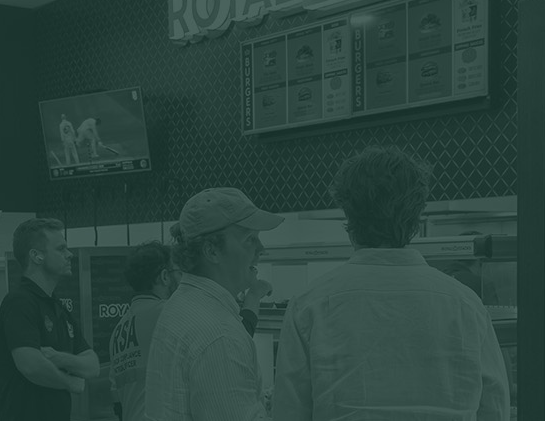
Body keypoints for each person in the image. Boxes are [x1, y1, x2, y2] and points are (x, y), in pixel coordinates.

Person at [274, 147, 510, 421]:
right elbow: (494, 409)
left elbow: (290, 412)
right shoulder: (467, 305)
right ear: (416, 216)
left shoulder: (309, 305)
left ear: (349, 215)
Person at [141, 188, 283, 421]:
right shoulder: (220, 335)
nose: (261, 249)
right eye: (250, 239)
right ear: (211, 251)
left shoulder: (180, 305)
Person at [0, 218, 99, 421]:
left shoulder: (57, 307)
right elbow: (31, 366)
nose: (69, 255)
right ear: (37, 256)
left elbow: (92, 365)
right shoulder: (19, 302)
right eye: (61, 249)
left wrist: (58, 358)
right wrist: (71, 382)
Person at [105, 242, 177, 421]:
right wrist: (252, 297)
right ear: (165, 276)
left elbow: (117, 400)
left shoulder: (119, 330)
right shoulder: (167, 312)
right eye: (179, 272)